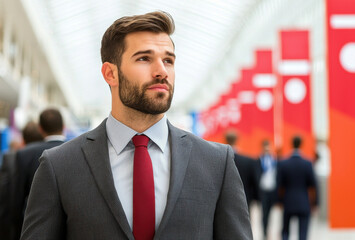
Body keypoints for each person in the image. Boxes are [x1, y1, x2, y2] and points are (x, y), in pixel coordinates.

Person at [21, 11, 252, 240]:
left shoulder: (216, 164)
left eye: (168, 60)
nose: (162, 71)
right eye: (144, 58)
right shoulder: (59, 166)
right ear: (110, 73)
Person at [12, 109, 65, 239]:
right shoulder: (79, 152)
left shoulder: (25, 155)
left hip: (33, 229)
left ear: (40, 129)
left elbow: (16, 200)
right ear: (63, 127)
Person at [0, 121, 43, 240]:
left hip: (18, 224)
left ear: (23, 139)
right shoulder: (51, 156)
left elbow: (5, 196)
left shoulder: (10, 158)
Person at [277, 136, 317, 240]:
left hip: (288, 201)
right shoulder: (307, 163)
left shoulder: (283, 163)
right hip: (304, 201)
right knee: (303, 233)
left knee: (285, 231)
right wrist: (315, 203)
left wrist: (279, 201)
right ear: (301, 144)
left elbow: (279, 185)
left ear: (292, 144)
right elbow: (313, 185)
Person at [225, 130, 257, 211]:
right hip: (244, 198)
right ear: (237, 140)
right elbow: (253, 182)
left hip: (224, 199)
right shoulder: (248, 161)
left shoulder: (217, 160)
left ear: (225, 140)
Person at [256, 139, 277, 239]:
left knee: (270, 212)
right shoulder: (259, 160)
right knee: (264, 212)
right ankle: (264, 232)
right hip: (263, 190)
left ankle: (268, 229)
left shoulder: (274, 159)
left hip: (272, 190)